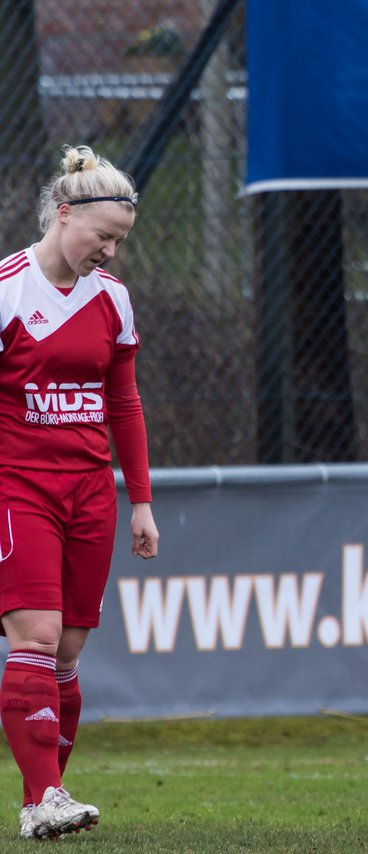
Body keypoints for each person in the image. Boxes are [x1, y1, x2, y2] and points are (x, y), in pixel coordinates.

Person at [0, 144, 159, 839]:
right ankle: (46, 796)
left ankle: (44, 801)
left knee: (65, 653)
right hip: (18, 485)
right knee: (33, 636)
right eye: (104, 238)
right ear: (64, 215)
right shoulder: (6, 288)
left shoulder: (113, 301)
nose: (112, 254)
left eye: (120, 242)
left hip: (91, 492)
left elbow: (123, 401)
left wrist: (143, 500)